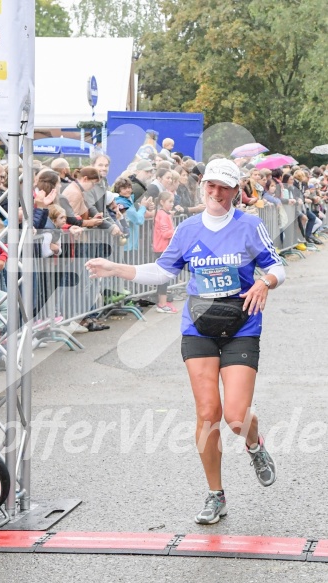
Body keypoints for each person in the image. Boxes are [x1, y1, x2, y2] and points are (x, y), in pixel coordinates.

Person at [85, 158, 286, 525]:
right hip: (199, 327)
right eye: (210, 185)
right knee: (209, 413)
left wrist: (264, 282)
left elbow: (277, 266)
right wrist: (116, 268)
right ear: (203, 186)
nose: (215, 192)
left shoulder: (249, 225)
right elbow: (162, 270)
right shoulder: (189, 228)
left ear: (235, 191)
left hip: (242, 326)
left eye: (224, 187)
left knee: (237, 418)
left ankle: (254, 444)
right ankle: (215, 495)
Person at [152, 191, 178, 314]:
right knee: (164, 278)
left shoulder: (163, 214)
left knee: (164, 277)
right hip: (162, 248)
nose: (172, 204)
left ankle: (163, 301)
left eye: (172, 201)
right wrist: (177, 231)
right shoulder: (162, 215)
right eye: (169, 202)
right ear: (162, 202)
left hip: (163, 248)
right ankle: (162, 304)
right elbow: (165, 233)